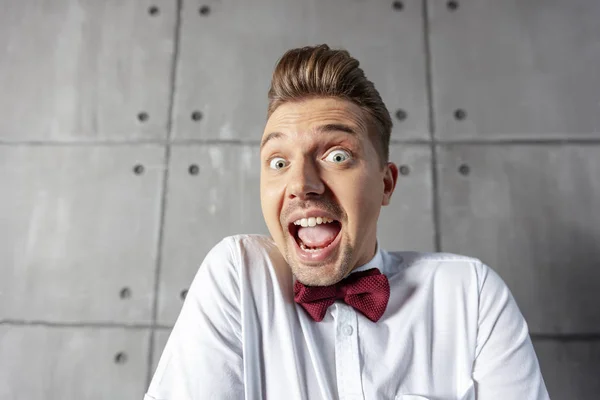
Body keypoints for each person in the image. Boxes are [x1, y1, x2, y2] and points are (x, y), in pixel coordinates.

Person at [144, 44, 550, 400]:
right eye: (279, 162)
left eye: (337, 156)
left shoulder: (471, 296)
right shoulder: (239, 274)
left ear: (386, 183)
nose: (301, 185)